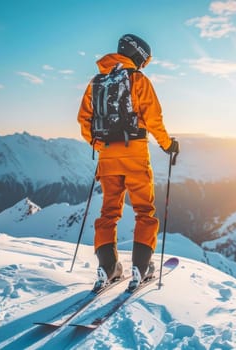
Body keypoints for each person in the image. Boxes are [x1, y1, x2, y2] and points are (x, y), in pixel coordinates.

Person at [77, 34, 179, 289]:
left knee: (108, 213)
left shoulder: (96, 83)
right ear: (138, 56)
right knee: (144, 211)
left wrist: (99, 145)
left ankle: (108, 267)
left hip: (108, 156)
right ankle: (141, 268)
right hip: (135, 153)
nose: (144, 66)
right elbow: (154, 118)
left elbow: (84, 120)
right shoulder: (138, 80)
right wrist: (168, 145)